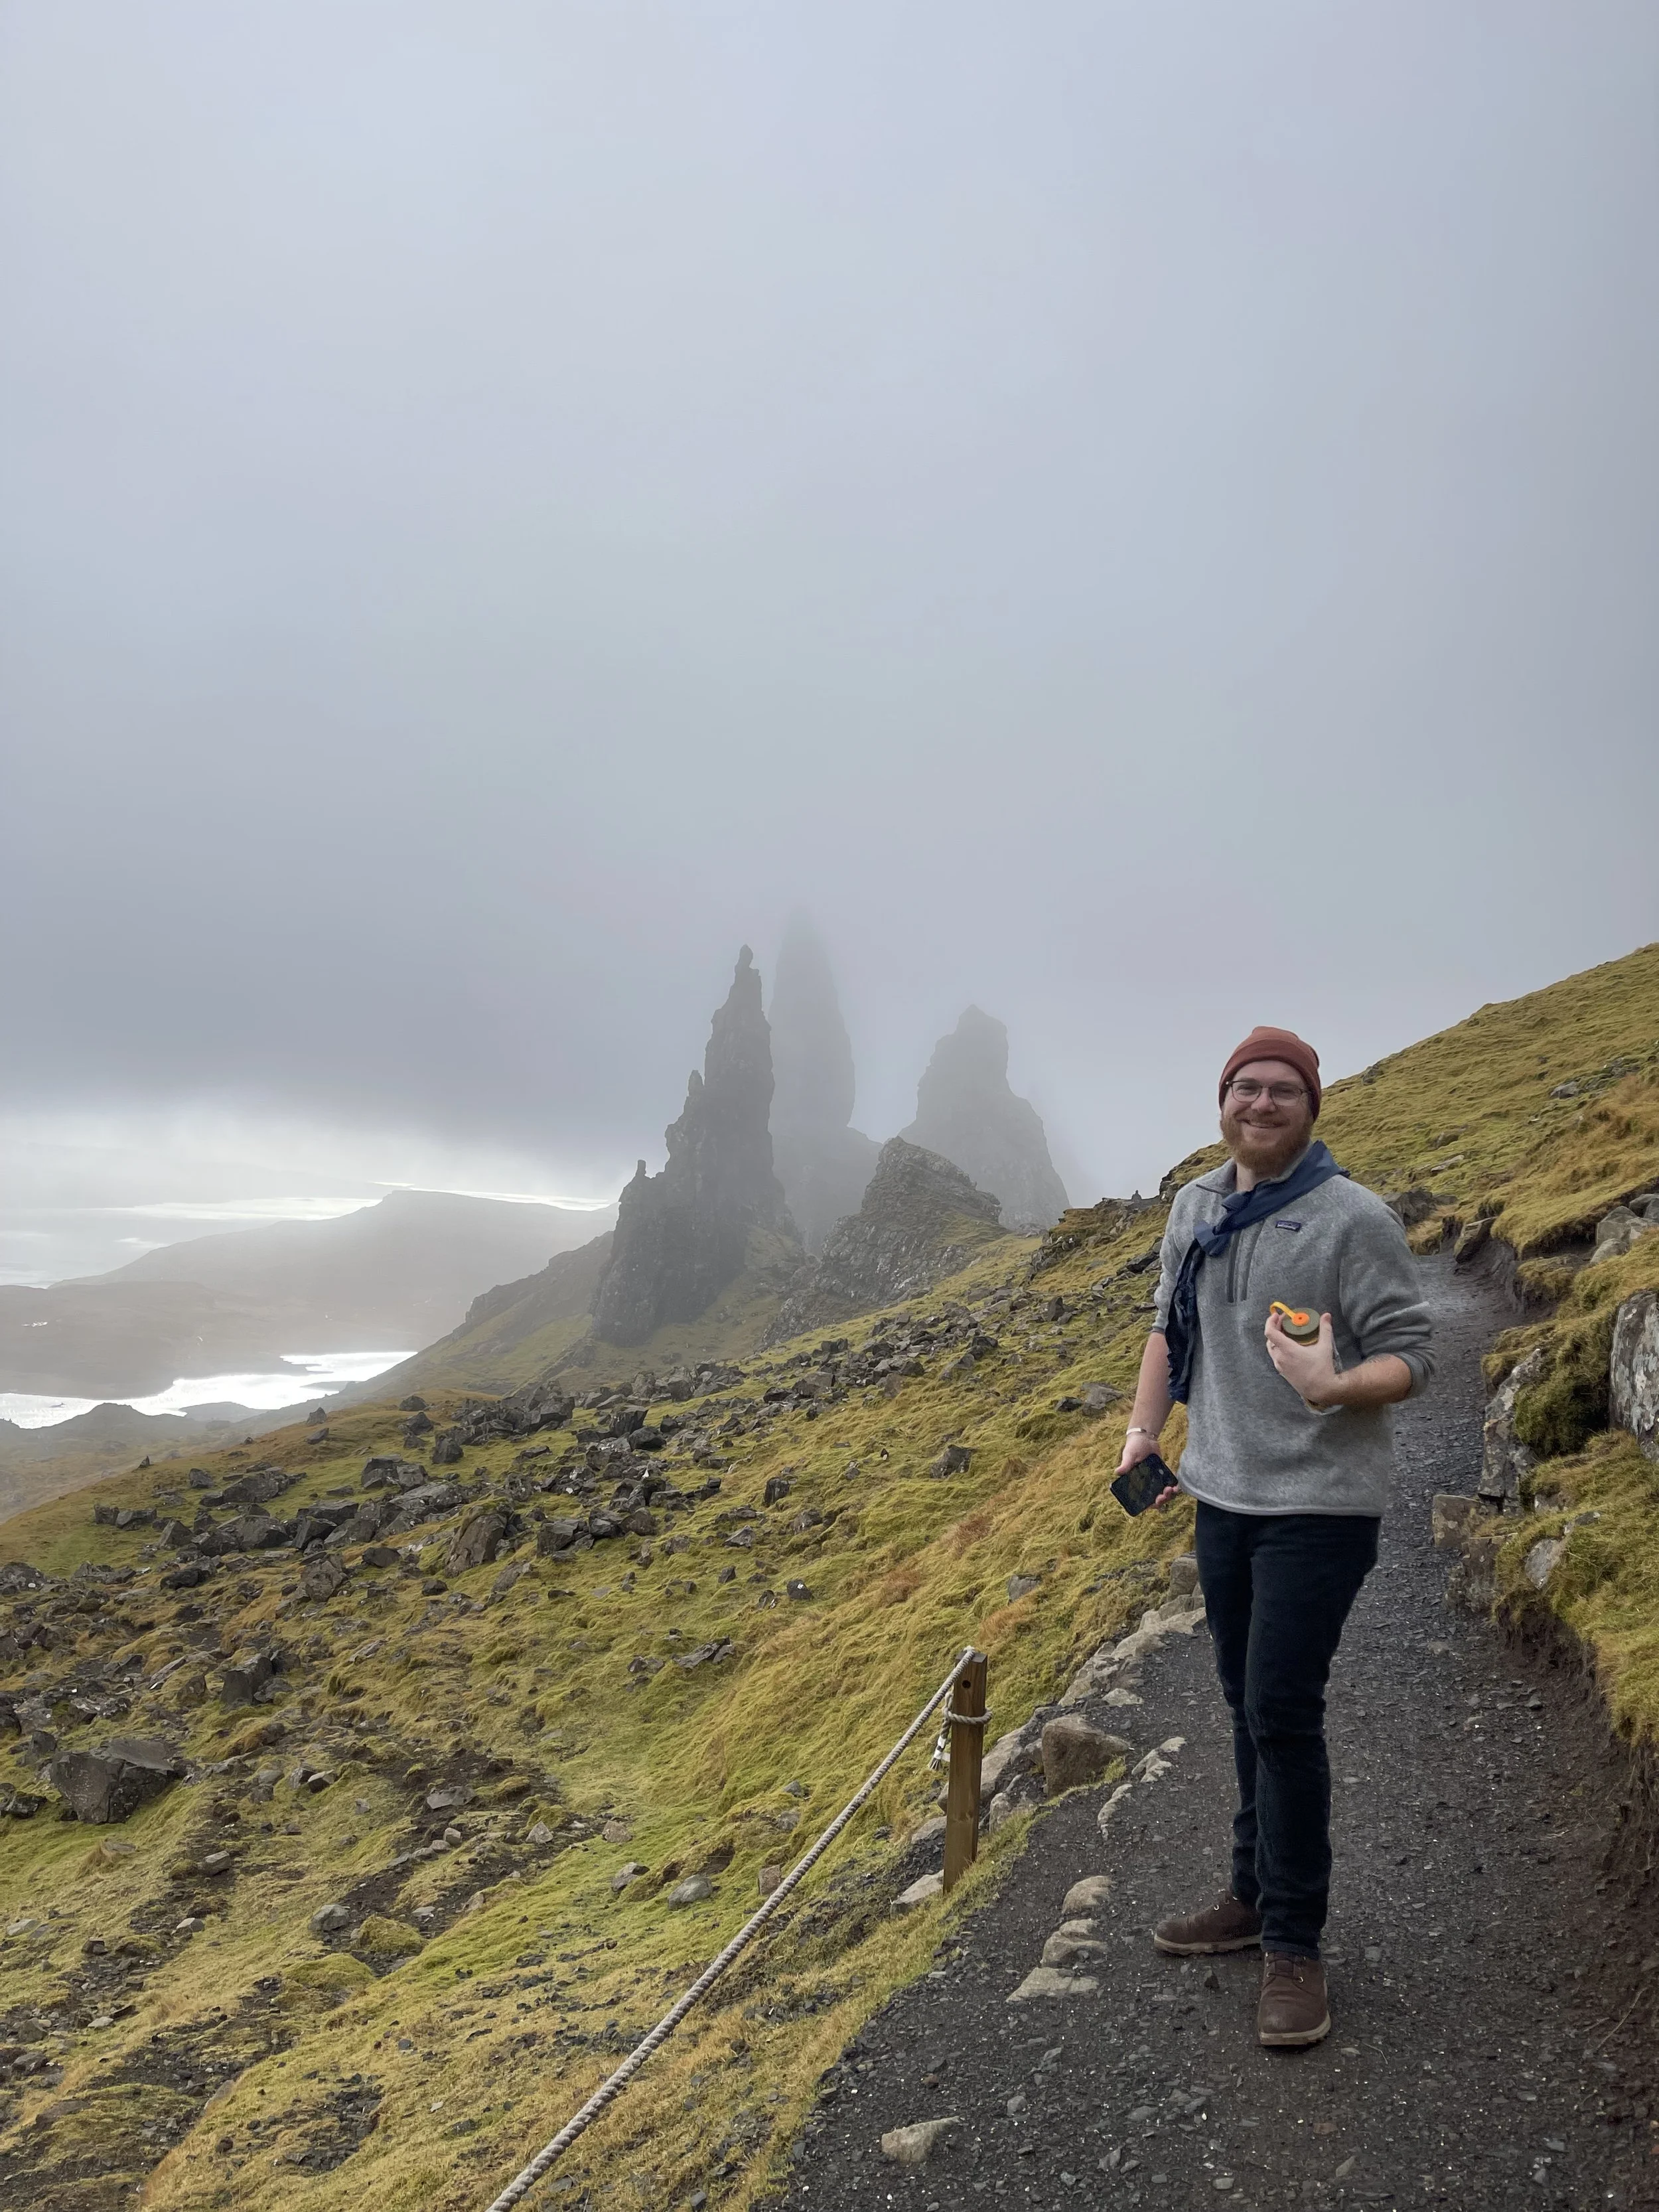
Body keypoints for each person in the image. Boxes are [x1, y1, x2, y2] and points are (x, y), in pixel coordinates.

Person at [1116, 1025, 1433, 2048]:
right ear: (1222, 1102)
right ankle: (1252, 1897)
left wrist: (1336, 1386)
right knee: (1240, 1702)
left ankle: (1296, 1942)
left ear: (1311, 1107)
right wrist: (1141, 1436)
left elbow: (1412, 1356)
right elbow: (1171, 1328)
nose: (1259, 1104)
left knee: (1281, 1712)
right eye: (1243, 1089)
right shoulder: (1195, 1206)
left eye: (1281, 1091)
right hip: (1221, 1497)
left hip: (1321, 1506)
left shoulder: (1354, 1220)